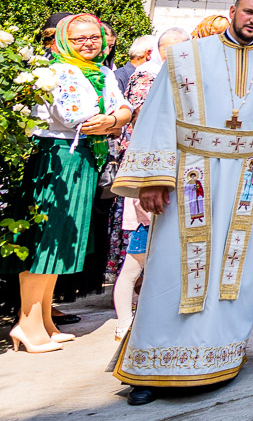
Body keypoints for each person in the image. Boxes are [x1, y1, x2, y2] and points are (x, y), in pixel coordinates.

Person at [113, 0, 253, 405]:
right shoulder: (184, 56)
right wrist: (153, 179)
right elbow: (159, 114)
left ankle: (219, 359)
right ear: (232, 12)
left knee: (233, 272)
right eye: (249, 12)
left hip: (247, 181)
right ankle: (150, 368)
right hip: (190, 175)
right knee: (172, 268)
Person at [14, 14, 131, 354]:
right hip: (56, 157)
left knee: (64, 240)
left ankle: (44, 321)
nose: (89, 44)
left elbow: (122, 110)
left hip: (81, 159)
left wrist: (113, 118)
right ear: (63, 41)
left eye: (94, 37)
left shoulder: (104, 72)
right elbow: (76, 117)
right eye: (79, 39)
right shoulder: (55, 71)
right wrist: (112, 118)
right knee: (46, 241)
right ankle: (27, 323)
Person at [111, 33, 166, 338]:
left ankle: (146, 321)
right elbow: (136, 189)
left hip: (167, 220)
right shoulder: (140, 150)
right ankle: (124, 321)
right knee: (132, 271)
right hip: (147, 222)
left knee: (156, 276)